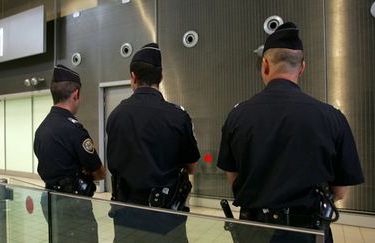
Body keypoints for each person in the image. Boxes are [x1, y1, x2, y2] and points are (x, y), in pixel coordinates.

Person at [217, 22, 364, 243]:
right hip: (309, 233)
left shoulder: (238, 116)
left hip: (254, 231)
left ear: (265, 64)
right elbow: (340, 192)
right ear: (302, 67)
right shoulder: (331, 117)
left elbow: (233, 177)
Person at [106, 43, 200, 242]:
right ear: (161, 76)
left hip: (126, 214)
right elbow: (192, 167)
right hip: (166, 218)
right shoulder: (178, 117)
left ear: (133, 77)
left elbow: (113, 166)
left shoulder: (116, 116)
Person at [34, 64, 106, 243]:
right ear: (76, 94)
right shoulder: (74, 130)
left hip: (49, 200)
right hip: (73, 206)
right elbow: (99, 172)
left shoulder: (41, 129)